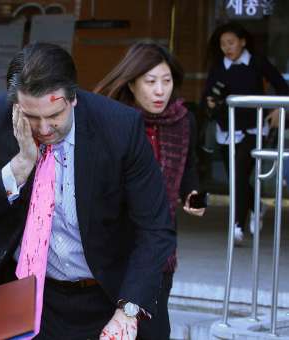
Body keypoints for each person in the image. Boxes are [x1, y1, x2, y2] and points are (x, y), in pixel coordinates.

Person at [0, 42, 175, 339]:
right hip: (28, 298)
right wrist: (19, 167)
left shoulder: (119, 128)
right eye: (32, 117)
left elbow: (156, 228)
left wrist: (128, 310)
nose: (44, 129)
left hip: (107, 294)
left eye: (54, 115)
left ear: (72, 99)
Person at [94, 42, 206, 339]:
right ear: (131, 83)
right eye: (151, 82)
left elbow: (189, 166)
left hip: (158, 251)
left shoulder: (184, 121)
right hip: (113, 250)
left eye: (166, 82)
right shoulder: (112, 122)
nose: (160, 91)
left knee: (154, 331)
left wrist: (193, 193)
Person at [203, 22, 289, 243]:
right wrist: (211, 103)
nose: (227, 48)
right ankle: (256, 205)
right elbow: (207, 95)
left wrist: (278, 112)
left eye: (231, 43)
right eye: (223, 44)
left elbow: (283, 86)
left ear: (242, 42)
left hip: (253, 127)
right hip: (227, 128)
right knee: (236, 177)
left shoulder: (256, 62)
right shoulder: (219, 66)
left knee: (240, 172)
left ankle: (237, 226)